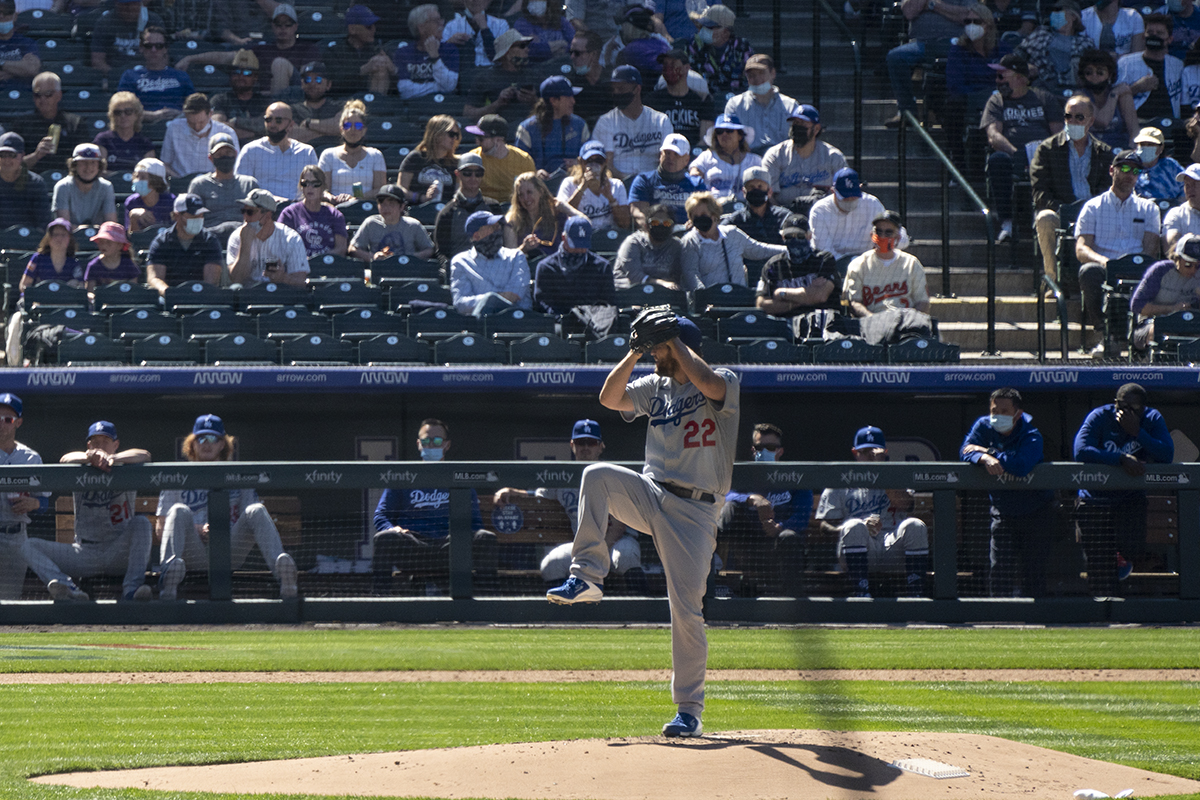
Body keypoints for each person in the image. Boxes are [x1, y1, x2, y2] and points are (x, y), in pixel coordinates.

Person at [546, 313, 740, 740]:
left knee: (686, 611)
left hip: (695, 510)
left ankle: (689, 710)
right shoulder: (656, 386)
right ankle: (588, 576)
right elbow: (610, 398)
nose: (654, 354)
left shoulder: (722, 378)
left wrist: (675, 341)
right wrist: (634, 351)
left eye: (660, 348)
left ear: (682, 346)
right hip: (652, 493)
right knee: (596, 475)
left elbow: (707, 383)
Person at [157, 414, 298, 601]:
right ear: (192, 443)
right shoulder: (176, 476)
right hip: (192, 552)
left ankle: (285, 578)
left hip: (229, 552)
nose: (207, 443)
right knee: (178, 510)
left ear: (222, 444)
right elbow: (160, 529)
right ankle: (168, 582)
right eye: (201, 438)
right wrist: (197, 530)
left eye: (213, 438)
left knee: (256, 509)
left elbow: (251, 521)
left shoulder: (238, 475)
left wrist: (222, 531)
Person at [494, 419, 645, 590]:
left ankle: (644, 612)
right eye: (581, 442)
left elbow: (619, 526)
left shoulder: (611, 474)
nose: (586, 448)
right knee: (551, 565)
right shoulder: (563, 476)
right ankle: (568, 615)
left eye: (591, 442)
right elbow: (537, 497)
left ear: (601, 446)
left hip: (617, 541)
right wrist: (510, 491)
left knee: (625, 557)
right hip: (584, 545)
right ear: (572, 445)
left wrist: (599, 551)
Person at [23, 421, 153, 603]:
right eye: (95, 442)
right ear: (89, 445)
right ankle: (69, 589)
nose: (100, 445)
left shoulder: (125, 465)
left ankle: (132, 590)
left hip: (118, 550)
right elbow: (65, 458)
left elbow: (144, 455)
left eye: (106, 441)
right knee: (28, 545)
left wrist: (114, 459)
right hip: (84, 552)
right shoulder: (79, 466)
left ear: (116, 444)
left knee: (142, 523)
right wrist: (90, 457)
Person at [371, 418, 498, 595]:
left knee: (486, 538)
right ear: (418, 444)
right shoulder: (403, 476)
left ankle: (488, 608)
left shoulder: (460, 477)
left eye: (437, 441)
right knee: (384, 538)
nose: (431, 445)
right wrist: (393, 529)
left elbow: (475, 524)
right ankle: (380, 605)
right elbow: (381, 516)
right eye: (426, 441)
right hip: (413, 547)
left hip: (450, 547)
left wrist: (461, 536)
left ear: (446, 445)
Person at [1073, 383, 1173, 596]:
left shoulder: (1152, 418)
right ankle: (1103, 617)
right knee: (1098, 561)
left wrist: (1137, 432)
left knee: (1131, 552)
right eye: (1121, 405)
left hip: (1130, 499)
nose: (1125, 411)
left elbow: (1167, 454)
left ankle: (1127, 610)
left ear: (1143, 407)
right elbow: (1081, 451)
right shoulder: (1100, 416)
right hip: (1095, 499)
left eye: (1133, 407)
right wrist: (1120, 458)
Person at [960, 387, 1056, 598]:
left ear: (1017, 413)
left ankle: (1036, 624)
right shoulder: (984, 426)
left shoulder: (1031, 434)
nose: (998, 416)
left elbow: (1021, 465)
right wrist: (983, 458)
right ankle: (1000, 620)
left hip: (1036, 511)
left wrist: (989, 452)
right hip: (1003, 510)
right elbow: (966, 450)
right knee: (999, 570)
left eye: (1004, 411)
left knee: (1034, 572)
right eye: (995, 411)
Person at [815, 426, 929, 598]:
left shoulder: (895, 476)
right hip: (857, 549)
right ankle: (861, 593)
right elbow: (825, 526)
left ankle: (916, 595)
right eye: (865, 451)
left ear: (885, 452)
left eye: (875, 451)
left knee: (915, 525)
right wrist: (851, 529)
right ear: (855, 453)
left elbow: (906, 504)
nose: (871, 456)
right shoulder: (840, 479)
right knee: (854, 526)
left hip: (891, 546)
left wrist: (881, 472)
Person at [1075, 150, 1162, 357]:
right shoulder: (1092, 207)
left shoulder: (1149, 209)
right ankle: (1106, 335)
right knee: (1088, 271)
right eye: (1124, 168)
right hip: (1104, 267)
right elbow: (1081, 249)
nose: (1129, 174)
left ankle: (1136, 339)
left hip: (1138, 267)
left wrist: (1132, 266)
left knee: (1152, 273)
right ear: (1111, 170)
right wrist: (1105, 262)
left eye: (1135, 170)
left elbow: (1150, 249)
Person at [717, 423, 811, 597]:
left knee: (788, 537)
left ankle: (792, 603)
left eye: (770, 447)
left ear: (780, 451)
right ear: (753, 450)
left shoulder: (795, 477)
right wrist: (751, 498)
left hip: (781, 551)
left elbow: (803, 517)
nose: (764, 451)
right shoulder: (744, 476)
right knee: (729, 508)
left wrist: (779, 527)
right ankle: (713, 570)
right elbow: (726, 495)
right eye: (760, 447)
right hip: (749, 551)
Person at [1029, 94, 1115, 284]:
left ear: (1091, 121)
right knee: (1044, 217)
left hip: (1095, 214)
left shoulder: (1104, 152)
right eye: (1068, 116)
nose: (1072, 121)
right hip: (1061, 211)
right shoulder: (1047, 149)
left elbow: (1108, 189)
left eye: (1079, 117)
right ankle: (1053, 280)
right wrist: (1066, 210)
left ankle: (1108, 280)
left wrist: (1089, 211)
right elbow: (1040, 192)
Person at [981, 54, 1064, 243]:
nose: (997, 80)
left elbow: (1058, 135)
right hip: (1013, 155)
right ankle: (1007, 223)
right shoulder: (997, 101)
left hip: (1043, 155)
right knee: (997, 160)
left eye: (1002, 76)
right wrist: (1017, 154)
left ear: (1020, 78)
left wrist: (1040, 155)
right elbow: (994, 136)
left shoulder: (1044, 98)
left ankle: (1047, 219)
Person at [175, 3, 319, 97]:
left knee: (279, 64)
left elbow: (310, 82)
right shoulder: (263, 49)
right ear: (272, 26)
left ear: (295, 27)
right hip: (261, 105)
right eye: (278, 24)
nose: (283, 28)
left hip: (296, 102)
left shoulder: (307, 49)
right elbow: (225, 57)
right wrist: (190, 58)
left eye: (287, 25)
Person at [884, 0, 977, 128]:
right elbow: (909, 12)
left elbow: (967, 16)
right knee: (895, 57)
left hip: (954, 44)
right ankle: (907, 111)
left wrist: (933, 5)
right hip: (921, 43)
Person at [680, 191, 787, 289]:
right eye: (695, 216)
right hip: (710, 303)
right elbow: (691, 274)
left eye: (703, 215)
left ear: (713, 214)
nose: (700, 219)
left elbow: (760, 249)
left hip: (738, 299)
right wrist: (705, 296)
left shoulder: (732, 234)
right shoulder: (690, 241)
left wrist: (788, 250)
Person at [761, 104, 848, 216]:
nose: (797, 127)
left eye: (803, 124)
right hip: (783, 216)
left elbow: (844, 193)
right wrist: (784, 216)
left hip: (824, 216)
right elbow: (767, 194)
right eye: (795, 123)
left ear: (816, 129)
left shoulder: (833, 157)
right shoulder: (775, 155)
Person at [593, 65, 675, 180]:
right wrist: (629, 181)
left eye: (621, 89)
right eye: (614, 89)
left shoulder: (660, 121)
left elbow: (668, 161)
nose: (616, 93)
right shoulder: (606, 122)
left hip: (655, 184)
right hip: (619, 185)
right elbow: (606, 164)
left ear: (637, 89)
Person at [844, 210, 931, 317]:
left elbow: (923, 302)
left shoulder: (911, 264)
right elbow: (854, 302)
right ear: (872, 235)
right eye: (879, 232)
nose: (883, 236)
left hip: (905, 325)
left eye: (888, 232)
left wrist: (909, 322)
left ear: (898, 237)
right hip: (871, 325)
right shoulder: (859, 264)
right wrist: (872, 319)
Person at [808, 167, 895, 274]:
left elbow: (897, 234)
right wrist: (855, 264)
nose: (849, 201)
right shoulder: (820, 211)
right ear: (833, 191)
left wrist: (891, 240)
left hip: (871, 265)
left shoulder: (872, 204)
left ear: (860, 188)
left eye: (853, 197)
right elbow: (825, 252)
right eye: (845, 198)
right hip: (834, 268)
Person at [0, 393, 45, 602]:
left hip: (16, 536)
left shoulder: (31, 457)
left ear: (18, 422)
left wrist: (34, 503)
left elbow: (44, 501)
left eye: (7, 420)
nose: (2, 424)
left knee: (10, 603)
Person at [754, 213, 841, 318]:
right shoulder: (773, 266)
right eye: (789, 236)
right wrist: (806, 298)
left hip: (821, 323)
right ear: (782, 237)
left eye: (800, 236)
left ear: (809, 236)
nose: (794, 240)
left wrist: (782, 293)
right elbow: (762, 305)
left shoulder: (824, 259)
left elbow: (821, 296)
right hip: (786, 325)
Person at [452, 209, 533, 315]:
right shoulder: (461, 262)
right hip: (483, 323)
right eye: (493, 228)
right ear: (476, 236)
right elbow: (461, 303)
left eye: (498, 226)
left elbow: (515, 293)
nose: (498, 230)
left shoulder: (516, 257)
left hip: (517, 320)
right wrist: (488, 300)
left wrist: (489, 300)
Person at [233, 102, 318, 203]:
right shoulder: (250, 150)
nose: (272, 125)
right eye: (268, 120)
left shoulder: (306, 152)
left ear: (291, 125)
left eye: (278, 120)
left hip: (296, 210)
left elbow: (315, 187)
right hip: (260, 208)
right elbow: (241, 187)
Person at [1128, 232, 1200, 351]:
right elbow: (1137, 305)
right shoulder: (1160, 271)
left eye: (1197, 266)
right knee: (1157, 331)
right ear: (1177, 258)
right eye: (1188, 265)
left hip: (1191, 325)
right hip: (1153, 322)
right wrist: (1172, 309)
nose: (1193, 270)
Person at [227, 187, 310, 287]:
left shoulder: (291, 238)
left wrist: (282, 277)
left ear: (267, 215)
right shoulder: (237, 236)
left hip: (279, 294)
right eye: (243, 211)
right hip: (249, 296)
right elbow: (236, 280)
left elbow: (301, 282)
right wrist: (245, 246)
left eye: (250, 212)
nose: (245, 217)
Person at [533, 216, 615, 315]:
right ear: (564, 238)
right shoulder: (547, 267)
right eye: (575, 245)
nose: (579, 250)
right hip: (558, 322)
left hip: (593, 323)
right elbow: (543, 303)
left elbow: (608, 303)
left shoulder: (602, 267)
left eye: (583, 245)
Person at [1012, 0, 1094, 97]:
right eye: (1053, 13)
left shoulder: (1085, 42)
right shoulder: (1041, 33)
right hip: (1041, 85)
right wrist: (1026, 67)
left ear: (1073, 17)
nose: (1055, 15)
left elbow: (1091, 70)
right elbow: (1018, 55)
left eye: (1059, 12)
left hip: (1072, 89)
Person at [145, 193, 224, 293]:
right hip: (170, 300)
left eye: (201, 215)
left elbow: (211, 281)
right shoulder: (162, 241)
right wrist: (170, 294)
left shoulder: (209, 240)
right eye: (193, 215)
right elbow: (154, 278)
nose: (198, 218)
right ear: (177, 215)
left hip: (202, 298)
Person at [188, 132, 261, 240]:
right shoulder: (199, 184)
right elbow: (192, 219)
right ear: (211, 157)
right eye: (219, 154)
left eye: (228, 152)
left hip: (245, 238)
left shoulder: (249, 183)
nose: (225, 156)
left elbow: (260, 217)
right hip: (210, 240)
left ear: (236, 154)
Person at [116, 27, 195, 124]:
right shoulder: (130, 76)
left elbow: (195, 109)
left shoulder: (181, 76)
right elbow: (122, 108)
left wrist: (180, 114)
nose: (153, 50)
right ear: (141, 48)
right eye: (148, 46)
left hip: (178, 129)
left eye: (159, 46)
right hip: (143, 130)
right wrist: (153, 115)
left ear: (165, 49)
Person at [434, 153, 504, 262]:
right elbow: (442, 253)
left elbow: (503, 243)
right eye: (467, 173)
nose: (473, 178)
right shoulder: (447, 213)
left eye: (478, 173)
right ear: (458, 174)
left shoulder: (493, 207)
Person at [516, 76, 591, 177]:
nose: (573, 101)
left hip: (574, 184)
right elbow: (518, 167)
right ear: (554, 101)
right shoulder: (527, 129)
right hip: (539, 189)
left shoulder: (580, 125)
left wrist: (579, 164)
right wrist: (535, 173)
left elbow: (592, 160)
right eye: (568, 97)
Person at [14, 72, 87, 174]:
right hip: (32, 184)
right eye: (37, 95)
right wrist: (36, 155)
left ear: (59, 95)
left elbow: (85, 163)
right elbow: (11, 166)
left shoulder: (75, 123)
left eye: (48, 94)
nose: (42, 99)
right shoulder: (22, 124)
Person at [460, 29, 539, 123]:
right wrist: (498, 103)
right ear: (507, 52)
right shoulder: (485, 78)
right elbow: (468, 114)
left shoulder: (534, 76)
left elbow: (555, 108)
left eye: (527, 45)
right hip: (497, 133)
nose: (527, 49)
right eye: (522, 46)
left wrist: (534, 101)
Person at [504, 171, 589, 258]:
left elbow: (586, 223)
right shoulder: (512, 220)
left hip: (555, 267)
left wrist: (567, 209)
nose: (525, 198)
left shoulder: (555, 212)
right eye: (521, 195)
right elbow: (509, 260)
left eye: (529, 192)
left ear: (540, 191)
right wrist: (523, 248)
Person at [1117, 14, 1184, 123]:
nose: (1154, 36)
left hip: (1170, 124)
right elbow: (1113, 98)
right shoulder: (1126, 63)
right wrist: (1137, 88)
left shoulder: (1178, 65)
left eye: (1159, 33)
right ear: (1143, 36)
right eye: (1150, 32)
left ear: (1170, 39)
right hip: (1137, 123)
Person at [630, 133, 708, 226]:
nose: (671, 158)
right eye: (667, 153)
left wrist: (694, 224)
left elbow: (705, 214)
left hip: (688, 234)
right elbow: (638, 213)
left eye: (676, 154)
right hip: (655, 232)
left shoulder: (697, 184)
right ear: (660, 155)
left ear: (686, 160)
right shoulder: (644, 180)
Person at [318, 100, 386, 204]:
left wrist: (355, 198)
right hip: (334, 207)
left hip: (365, 207)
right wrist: (333, 198)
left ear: (364, 130)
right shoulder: (328, 155)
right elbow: (322, 189)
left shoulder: (375, 155)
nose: (352, 129)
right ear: (341, 129)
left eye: (358, 126)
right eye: (347, 125)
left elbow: (380, 189)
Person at [348, 183, 435, 262]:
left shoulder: (413, 225)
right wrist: (373, 256)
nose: (386, 208)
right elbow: (352, 249)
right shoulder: (371, 223)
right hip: (379, 271)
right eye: (382, 203)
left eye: (391, 203)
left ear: (401, 207)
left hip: (408, 271)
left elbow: (430, 249)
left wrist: (411, 257)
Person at [557, 140, 631, 231]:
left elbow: (625, 224)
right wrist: (582, 188)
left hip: (607, 236)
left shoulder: (616, 185)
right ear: (580, 162)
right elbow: (562, 217)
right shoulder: (569, 183)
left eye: (598, 161)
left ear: (605, 162)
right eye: (589, 161)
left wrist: (611, 199)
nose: (594, 164)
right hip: (581, 236)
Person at [159, 93, 238, 179]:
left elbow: (236, 167)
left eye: (201, 122)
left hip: (216, 184)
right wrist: (179, 180)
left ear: (210, 114)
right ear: (185, 116)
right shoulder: (174, 128)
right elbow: (165, 164)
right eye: (191, 123)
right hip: (181, 184)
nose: (196, 127)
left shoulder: (227, 132)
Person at [275, 165, 348, 258]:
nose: (310, 187)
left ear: (323, 187)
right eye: (305, 183)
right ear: (301, 187)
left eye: (315, 183)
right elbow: (280, 245)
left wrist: (318, 261)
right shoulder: (290, 214)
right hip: (298, 268)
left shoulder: (334, 215)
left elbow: (341, 249)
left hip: (327, 267)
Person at [650, 48, 716, 149]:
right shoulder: (653, 100)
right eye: (665, 64)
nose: (668, 68)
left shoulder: (702, 100)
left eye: (673, 64)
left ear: (686, 68)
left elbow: (705, 139)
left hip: (693, 155)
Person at [324, 5, 396, 96]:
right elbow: (334, 82)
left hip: (373, 102)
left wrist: (393, 70)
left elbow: (399, 89)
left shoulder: (377, 50)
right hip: (344, 104)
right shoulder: (334, 51)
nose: (373, 30)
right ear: (352, 29)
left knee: (381, 69)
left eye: (374, 26)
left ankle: (374, 106)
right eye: (368, 26)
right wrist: (364, 69)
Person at [688, 114, 761, 204]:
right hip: (713, 210)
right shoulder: (706, 157)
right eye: (719, 131)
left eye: (729, 130)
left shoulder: (755, 160)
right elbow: (694, 174)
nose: (724, 134)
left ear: (740, 136)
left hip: (745, 210)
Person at [1077, 48, 1138, 151]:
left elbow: (1134, 131)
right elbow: (1102, 122)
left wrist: (1131, 154)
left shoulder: (1123, 94)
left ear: (1109, 74)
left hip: (1119, 150)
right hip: (1092, 151)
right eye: (1089, 73)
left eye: (1100, 73)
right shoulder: (1080, 96)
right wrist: (1114, 95)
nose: (1094, 76)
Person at [394, 4, 460, 99]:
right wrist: (437, 87)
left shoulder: (450, 50)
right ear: (421, 28)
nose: (441, 24)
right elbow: (405, 91)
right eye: (436, 21)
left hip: (443, 105)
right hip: (415, 107)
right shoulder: (404, 53)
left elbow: (450, 86)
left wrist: (435, 58)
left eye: (441, 19)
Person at [468, 114, 537, 205]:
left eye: (481, 138)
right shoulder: (472, 158)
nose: (477, 141)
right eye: (476, 137)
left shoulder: (524, 160)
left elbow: (532, 193)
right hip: (482, 209)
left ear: (498, 140)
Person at [90, 0, 166, 82]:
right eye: (125, 5)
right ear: (117, 4)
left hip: (149, 77)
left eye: (133, 4)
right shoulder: (105, 22)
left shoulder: (154, 21)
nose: (129, 8)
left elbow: (163, 56)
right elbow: (97, 60)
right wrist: (115, 75)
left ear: (140, 4)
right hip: (116, 77)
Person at [684, 4, 752, 96]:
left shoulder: (742, 47)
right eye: (703, 26)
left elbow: (750, 79)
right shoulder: (694, 45)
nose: (704, 30)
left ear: (726, 31)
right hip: (703, 102)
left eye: (710, 27)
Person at [613, 202, 684, 288]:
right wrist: (661, 283)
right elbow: (634, 276)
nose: (660, 226)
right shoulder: (633, 242)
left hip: (662, 294)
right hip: (628, 292)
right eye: (655, 222)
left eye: (666, 223)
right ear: (646, 225)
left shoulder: (676, 246)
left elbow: (678, 276)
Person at [400, 114, 463, 206]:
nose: (455, 139)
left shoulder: (456, 162)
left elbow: (459, 193)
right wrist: (421, 198)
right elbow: (400, 189)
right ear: (437, 134)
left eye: (456, 135)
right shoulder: (415, 158)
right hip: (417, 211)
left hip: (446, 213)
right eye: (451, 134)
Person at [210, 50, 269, 146]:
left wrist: (235, 122)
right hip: (227, 151)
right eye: (236, 72)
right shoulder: (220, 100)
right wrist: (254, 133)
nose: (240, 76)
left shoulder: (264, 102)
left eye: (247, 73)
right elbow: (217, 127)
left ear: (255, 77)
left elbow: (269, 126)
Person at [51, 143, 118, 227]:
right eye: (83, 162)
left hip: (99, 238)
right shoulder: (63, 186)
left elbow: (110, 224)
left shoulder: (106, 186)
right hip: (70, 238)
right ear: (74, 165)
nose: (88, 167)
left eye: (93, 162)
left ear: (99, 166)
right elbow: (64, 226)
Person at [721, 166, 791, 245]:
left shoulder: (783, 217)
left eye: (760, 186)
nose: (756, 190)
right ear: (744, 192)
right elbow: (719, 235)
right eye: (751, 187)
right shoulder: (736, 220)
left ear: (770, 191)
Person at [93, 92, 157, 173]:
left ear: (137, 115)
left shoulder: (145, 143)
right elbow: (98, 171)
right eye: (117, 112)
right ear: (111, 116)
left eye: (128, 111)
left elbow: (150, 174)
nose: (123, 116)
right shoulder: (103, 140)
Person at [0, 132, 52, 232]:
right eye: (2, 155)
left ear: (22, 156)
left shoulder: (36, 183)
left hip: (29, 243)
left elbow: (43, 223)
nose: (7, 159)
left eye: (12, 155)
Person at [442, 0, 510, 74]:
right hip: (463, 76)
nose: (475, 1)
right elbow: (441, 57)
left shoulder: (501, 24)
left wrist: (485, 28)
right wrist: (449, 43)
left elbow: (501, 58)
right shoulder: (451, 26)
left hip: (492, 75)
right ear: (464, 2)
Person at [289, 62, 345, 149]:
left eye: (318, 79)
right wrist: (332, 133)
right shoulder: (293, 110)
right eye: (307, 79)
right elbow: (293, 137)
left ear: (328, 84)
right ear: (302, 83)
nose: (312, 83)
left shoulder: (340, 106)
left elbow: (343, 127)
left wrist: (308, 124)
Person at [20, 218, 83, 291]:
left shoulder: (73, 263)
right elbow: (24, 285)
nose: (59, 238)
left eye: (63, 235)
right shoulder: (38, 259)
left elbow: (81, 287)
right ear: (48, 238)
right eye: (55, 235)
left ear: (70, 239)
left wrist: (74, 286)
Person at [569, 31, 613, 127]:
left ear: (593, 54)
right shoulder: (570, 82)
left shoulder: (611, 80)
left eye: (577, 53)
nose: (572, 57)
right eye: (571, 52)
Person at [1132, 127, 1185, 202]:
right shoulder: (1131, 165)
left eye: (1150, 144)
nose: (1146, 147)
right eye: (1142, 144)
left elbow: (1186, 187)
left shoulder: (1171, 165)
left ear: (1161, 148)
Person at [84, 221, 140, 289]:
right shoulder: (93, 266)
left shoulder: (128, 265)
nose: (104, 245)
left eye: (108, 242)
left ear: (120, 245)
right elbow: (89, 291)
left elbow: (133, 289)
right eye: (101, 242)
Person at [124, 157, 174, 233]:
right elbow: (132, 240)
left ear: (156, 181)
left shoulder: (171, 202)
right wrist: (133, 217)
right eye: (137, 176)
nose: (138, 180)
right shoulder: (131, 202)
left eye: (143, 177)